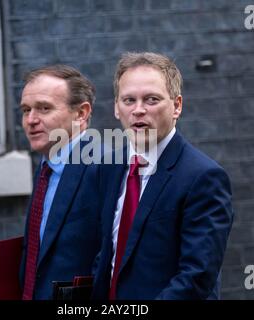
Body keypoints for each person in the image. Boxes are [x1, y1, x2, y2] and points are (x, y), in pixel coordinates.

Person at [92, 52, 234, 300]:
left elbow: (197, 277)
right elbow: (107, 254)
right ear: (116, 107)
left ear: (177, 105)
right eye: (128, 100)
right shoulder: (108, 167)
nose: (138, 110)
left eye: (151, 99)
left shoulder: (204, 177)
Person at [19, 65, 101, 300]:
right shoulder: (46, 167)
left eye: (44, 108)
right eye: (26, 110)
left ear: (81, 113)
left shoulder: (105, 166)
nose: (31, 120)